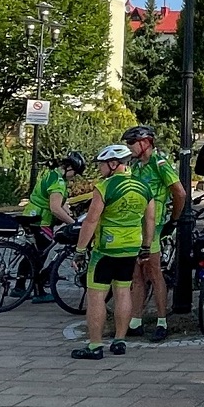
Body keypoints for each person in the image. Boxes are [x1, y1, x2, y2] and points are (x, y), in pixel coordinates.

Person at [71, 145, 154, 360]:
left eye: (102, 164)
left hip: (105, 249)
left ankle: (95, 346)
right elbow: (150, 220)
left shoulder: (105, 187)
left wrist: (80, 250)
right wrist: (146, 246)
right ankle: (119, 341)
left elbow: (91, 220)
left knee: (96, 297)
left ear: (114, 164)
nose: (100, 168)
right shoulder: (143, 186)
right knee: (123, 292)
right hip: (131, 248)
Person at [121, 125, 185, 342]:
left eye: (131, 143)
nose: (128, 148)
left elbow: (180, 192)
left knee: (155, 273)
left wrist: (174, 219)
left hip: (153, 226)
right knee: (136, 276)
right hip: (135, 226)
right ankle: (136, 321)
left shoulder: (160, 165)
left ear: (145, 143)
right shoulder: (137, 167)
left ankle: (161, 321)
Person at [22, 151, 83, 303]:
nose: (74, 177)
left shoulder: (52, 174)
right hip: (41, 220)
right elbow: (55, 208)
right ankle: (38, 291)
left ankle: (19, 287)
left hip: (30, 214)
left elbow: (61, 205)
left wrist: (69, 213)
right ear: (69, 168)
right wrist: (73, 223)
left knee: (31, 253)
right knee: (42, 253)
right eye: (75, 173)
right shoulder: (58, 183)